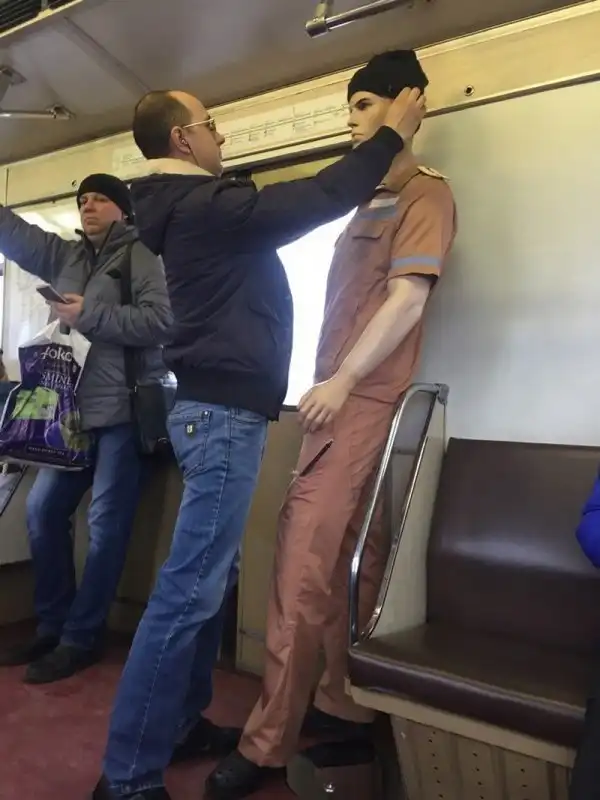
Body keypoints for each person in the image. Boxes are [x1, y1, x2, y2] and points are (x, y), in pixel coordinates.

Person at [92, 77, 426, 799]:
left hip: (211, 410)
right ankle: (126, 778)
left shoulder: (177, 207)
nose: (220, 135)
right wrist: (391, 135)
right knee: (188, 594)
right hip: (221, 416)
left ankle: (179, 724)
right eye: (210, 124)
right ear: (183, 139)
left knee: (205, 585)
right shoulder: (208, 205)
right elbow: (319, 196)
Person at [206, 49, 458, 799]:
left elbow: (408, 298)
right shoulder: (362, 202)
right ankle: (343, 706)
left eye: (365, 105)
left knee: (302, 569)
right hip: (334, 406)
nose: (353, 122)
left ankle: (267, 743)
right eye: (349, 108)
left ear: (406, 105)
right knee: (350, 564)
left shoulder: (425, 194)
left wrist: (344, 380)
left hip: (361, 402)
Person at [0, 174, 172, 685]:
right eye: (82, 200)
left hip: (122, 413)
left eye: (99, 199)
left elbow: (162, 321)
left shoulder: (144, 254)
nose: (88, 206)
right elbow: (17, 236)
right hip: (73, 415)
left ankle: (81, 637)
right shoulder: (66, 256)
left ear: (122, 209)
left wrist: (89, 314)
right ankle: (52, 624)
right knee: (42, 511)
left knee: (105, 526)